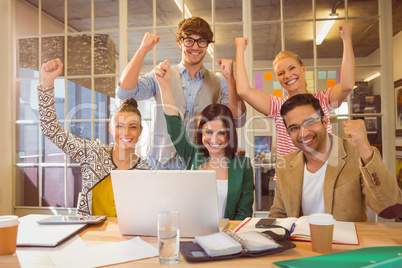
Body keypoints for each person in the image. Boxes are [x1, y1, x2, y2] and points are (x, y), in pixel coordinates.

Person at [117, 16, 246, 170]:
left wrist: (231, 79)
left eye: (202, 41)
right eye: (189, 40)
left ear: (207, 45)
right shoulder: (161, 75)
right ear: (179, 43)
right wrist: (143, 49)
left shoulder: (220, 82)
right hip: (159, 164)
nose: (196, 47)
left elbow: (238, 120)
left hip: (199, 163)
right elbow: (124, 92)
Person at [37, 58, 152, 217]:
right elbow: (51, 129)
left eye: (132, 127)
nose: (126, 133)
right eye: (119, 126)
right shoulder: (94, 154)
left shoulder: (147, 172)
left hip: (130, 239)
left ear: (140, 131)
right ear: (111, 129)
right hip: (89, 237)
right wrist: (47, 83)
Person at [269, 94, 402, 221]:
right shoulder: (285, 164)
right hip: (300, 244)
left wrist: (364, 147)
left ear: (325, 121)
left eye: (309, 122)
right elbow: (279, 214)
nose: (303, 133)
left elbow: (391, 210)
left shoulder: (358, 154)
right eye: (294, 128)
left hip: (347, 243)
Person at [235, 22, 355, 159]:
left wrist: (346, 38)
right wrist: (240, 50)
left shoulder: (322, 100)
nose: (287, 76)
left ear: (303, 69)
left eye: (292, 68)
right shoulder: (278, 106)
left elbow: (347, 85)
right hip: (288, 177)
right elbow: (244, 91)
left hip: (322, 174)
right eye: (281, 73)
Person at [154, 59, 254, 220]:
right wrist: (164, 85)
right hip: (194, 235)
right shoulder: (192, 154)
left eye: (221, 133)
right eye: (208, 131)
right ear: (201, 133)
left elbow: (243, 213)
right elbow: (174, 125)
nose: (213, 139)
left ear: (229, 134)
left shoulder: (244, 167)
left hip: (228, 237)